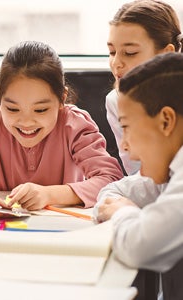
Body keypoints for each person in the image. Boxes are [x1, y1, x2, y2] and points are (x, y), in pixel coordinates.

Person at [0, 40, 123, 216]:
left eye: (40, 110)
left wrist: (49, 195)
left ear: (61, 99)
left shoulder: (74, 126)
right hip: (5, 231)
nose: (26, 122)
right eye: (12, 108)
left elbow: (110, 179)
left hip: (64, 230)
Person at [94, 52, 183, 300]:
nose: (124, 146)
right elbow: (113, 195)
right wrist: (121, 208)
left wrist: (124, 213)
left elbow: (139, 247)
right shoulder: (171, 175)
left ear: (166, 121)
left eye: (127, 127)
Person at [106, 0, 183, 175]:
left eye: (130, 53)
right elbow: (139, 174)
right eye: (112, 52)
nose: (116, 63)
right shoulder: (116, 101)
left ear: (166, 54)